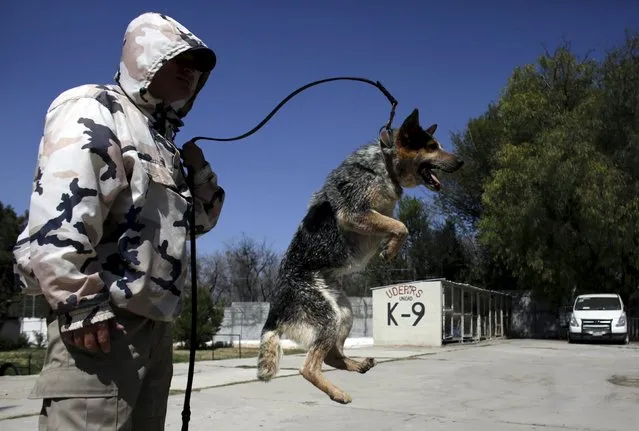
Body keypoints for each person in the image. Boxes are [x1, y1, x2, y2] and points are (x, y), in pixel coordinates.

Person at [12, 11, 225, 429]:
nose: (189, 70)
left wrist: (198, 172)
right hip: (100, 323)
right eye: (176, 57)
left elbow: (199, 222)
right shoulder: (96, 106)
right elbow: (61, 203)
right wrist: (79, 300)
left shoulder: (162, 143)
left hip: (154, 329)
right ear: (143, 58)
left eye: (196, 67)